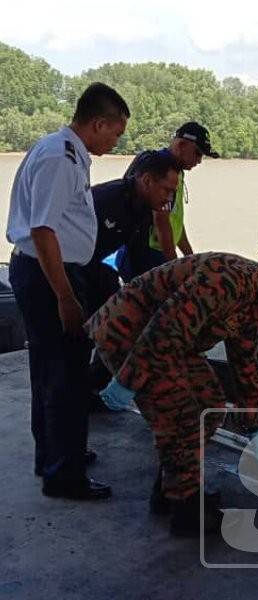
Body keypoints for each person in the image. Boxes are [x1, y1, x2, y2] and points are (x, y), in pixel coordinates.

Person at [85, 247, 258, 536]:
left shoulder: (252, 301)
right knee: (184, 417)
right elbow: (167, 326)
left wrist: (252, 424)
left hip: (168, 344)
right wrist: (128, 380)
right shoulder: (229, 282)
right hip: (132, 335)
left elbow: (244, 364)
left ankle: (174, 487)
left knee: (210, 403)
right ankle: (186, 511)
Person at [5, 82, 129, 500]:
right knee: (65, 374)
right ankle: (64, 473)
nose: (115, 142)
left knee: (51, 371)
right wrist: (65, 296)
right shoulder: (60, 158)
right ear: (97, 124)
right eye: (114, 133)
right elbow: (42, 229)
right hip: (48, 275)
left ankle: (56, 455)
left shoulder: (69, 152)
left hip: (48, 271)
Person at [83, 151, 181, 397]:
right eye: (166, 190)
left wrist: (168, 281)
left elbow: (137, 254)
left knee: (123, 321)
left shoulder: (146, 207)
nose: (169, 199)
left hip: (95, 265)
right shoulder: (106, 199)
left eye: (173, 192)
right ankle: (76, 391)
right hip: (69, 265)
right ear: (147, 181)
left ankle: (96, 386)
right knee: (82, 333)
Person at [116, 121, 219, 281]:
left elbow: (175, 220)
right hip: (145, 256)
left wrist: (190, 258)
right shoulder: (160, 169)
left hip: (158, 254)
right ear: (181, 145)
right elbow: (161, 223)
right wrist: (175, 267)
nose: (199, 161)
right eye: (197, 153)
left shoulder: (177, 171)